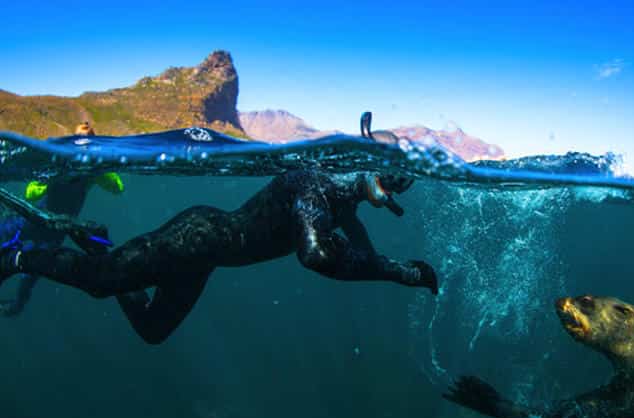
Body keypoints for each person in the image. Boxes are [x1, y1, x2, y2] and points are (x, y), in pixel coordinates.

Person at [0, 114, 436, 344]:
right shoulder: (316, 183)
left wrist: (398, 269)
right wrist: (399, 273)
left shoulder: (343, 197)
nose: (398, 187)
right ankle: (16, 258)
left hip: (205, 256)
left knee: (153, 330)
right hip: (197, 237)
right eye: (395, 177)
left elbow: (355, 239)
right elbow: (317, 254)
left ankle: (99, 244)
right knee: (99, 284)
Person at [0, 122, 124, 316]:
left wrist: (98, 167)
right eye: (77, 141)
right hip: (28, 221)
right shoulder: (57, 161)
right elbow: (30, 193)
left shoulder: (92, 169)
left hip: (55, 229)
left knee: (31, 274)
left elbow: (118, 188)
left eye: (87, 142)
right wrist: (50, 179)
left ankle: (17, 306)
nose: (81, 148)